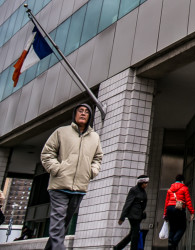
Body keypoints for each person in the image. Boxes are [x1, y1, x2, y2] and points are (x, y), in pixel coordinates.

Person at [41, 103, 103, 250]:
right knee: (58, 220)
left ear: (90, 116)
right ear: (75, 114)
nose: (83, 113)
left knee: (64, 223)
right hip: (59, 185)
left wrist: (92, 171)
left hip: (79, 187)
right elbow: (47, 154)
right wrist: (57, 169)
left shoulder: (94, 137)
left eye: (86, 112)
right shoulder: (61, 132)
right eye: (80, 111)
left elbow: (98, 158)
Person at [115, 175, 149, 250]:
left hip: (139, 215)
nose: (146, 185)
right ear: (141, 183)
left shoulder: (143, 191)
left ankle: (118, 247)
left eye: (147, 183)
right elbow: (128, 203)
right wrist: (122, 217)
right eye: (145, 183)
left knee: (132, 234)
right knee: (135, 234)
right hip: (133, 215)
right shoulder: (133, 190)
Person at [164, 175, 194, 249]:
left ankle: (170, 243)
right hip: (178, 209)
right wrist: (192, 212)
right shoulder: (184, 188)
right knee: (182, 227)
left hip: (169, 209)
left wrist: (165, 214)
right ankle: (174, 242)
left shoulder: (170, 189)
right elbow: (188, 201)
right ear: (182, 181)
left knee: (172, 228)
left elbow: (166, 202)